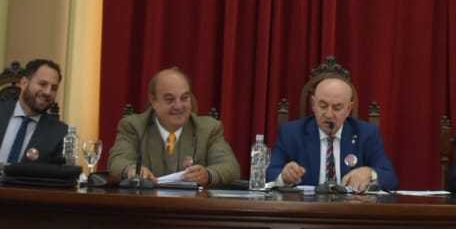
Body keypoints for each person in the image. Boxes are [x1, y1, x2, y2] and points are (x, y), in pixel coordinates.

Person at [107, 67, 241, 186]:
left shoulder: (209, 128)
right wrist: (132, 170)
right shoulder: (134, 126)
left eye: (184, 98)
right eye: (170, 99)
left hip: (193, 205)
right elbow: (117, 161)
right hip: (146, 203)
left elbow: (230, 167)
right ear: (154, 101)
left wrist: (208, 175)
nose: (178, 106)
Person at [269, 73, 397, 192]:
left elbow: (390, 178)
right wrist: (284, 176)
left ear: (348, 109)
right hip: (307, 207)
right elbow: (270, 174)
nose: (329, 115)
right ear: (313, 104)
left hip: (351, 206)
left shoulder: (366, 134)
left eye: (337, 108)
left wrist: (370, 173)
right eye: (323, 106)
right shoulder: (291, 133)